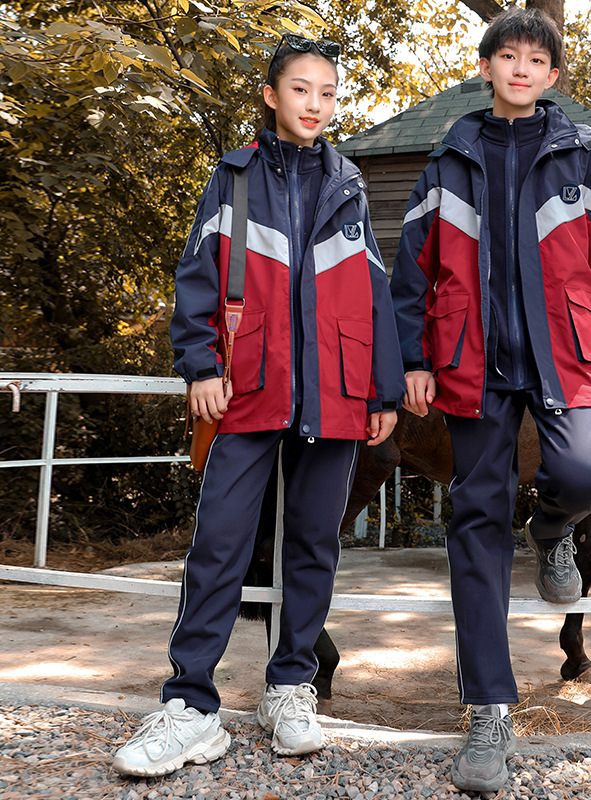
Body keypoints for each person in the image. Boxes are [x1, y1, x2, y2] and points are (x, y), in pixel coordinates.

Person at [112, 34, 405, 777]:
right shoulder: (233, 179)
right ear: (272, 96)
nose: (316, 104)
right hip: (245, 391)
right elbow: (197, 276)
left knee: (315, 546)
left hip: (336, 396)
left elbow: (372, 291)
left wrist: (382, 387)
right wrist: (199, 363)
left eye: (329, 93)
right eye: (302, 89)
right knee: (220, 546)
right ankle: (190, 706)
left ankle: (289, 688)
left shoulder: (349, 183)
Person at [391, 7, 591, 793]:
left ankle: (552, 531)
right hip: (471, 360)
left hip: (569, 354)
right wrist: (412, 359)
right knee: (474, 522)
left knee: (580, 476)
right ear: (487, 69)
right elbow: (412, 271)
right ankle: (487, 712)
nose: (518, 68)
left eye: (532, 59)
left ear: (550, 76)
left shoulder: (581, 158)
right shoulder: (448, 160)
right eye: (504, 56)